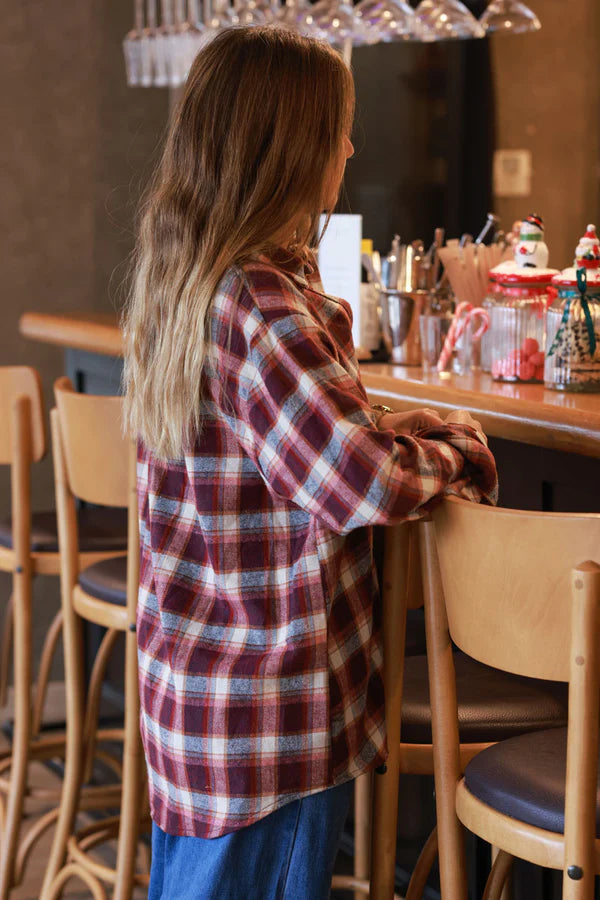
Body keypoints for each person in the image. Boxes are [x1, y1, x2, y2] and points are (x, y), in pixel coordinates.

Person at [122, 25, 497, 900]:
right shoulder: (262, 299)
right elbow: (362, 481)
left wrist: (385, 419)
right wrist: (461, 447)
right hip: (271, 715)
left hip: (199, 700)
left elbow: (287, 446)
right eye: (340, 128)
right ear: (291, 148)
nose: (352, 147)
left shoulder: (188, 281)